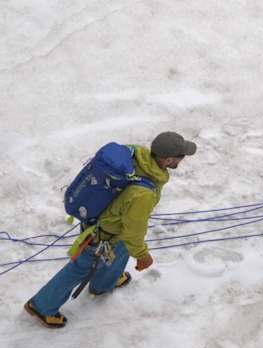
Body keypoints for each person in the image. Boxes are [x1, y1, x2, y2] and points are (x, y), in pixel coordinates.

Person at [23, 131, 197, 329]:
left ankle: (104, 284)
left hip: (102, 222)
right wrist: (142, 255)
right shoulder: (143, 194)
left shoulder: (137, 154)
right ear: (167, 160)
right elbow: (134, 231)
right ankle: (41, 306)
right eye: (180, 157)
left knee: (120, 250)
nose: (182, 161)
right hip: (103, 234)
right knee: (81, 267)